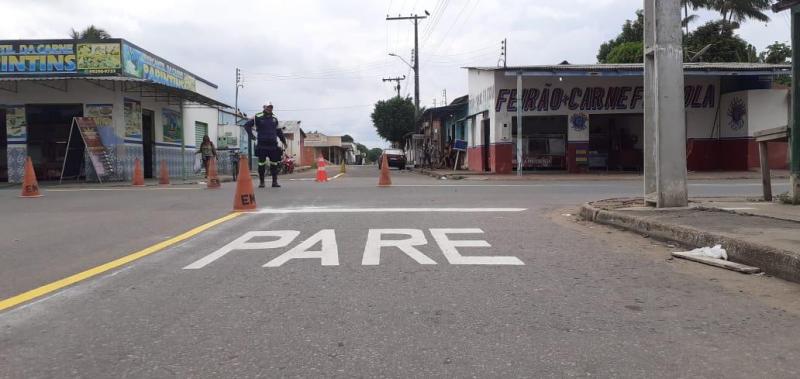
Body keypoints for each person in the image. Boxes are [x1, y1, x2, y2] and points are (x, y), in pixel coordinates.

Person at [242, 103, 287, 188]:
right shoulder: (257, 116)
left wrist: (284, 141)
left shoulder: (275, 118)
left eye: (271, 107)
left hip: (273, 145)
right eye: (268, 107)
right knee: (261, 164)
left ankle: (274, 182)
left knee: (274, 164)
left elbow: (279, 131)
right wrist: (251, 136)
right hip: (262, 145)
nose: (270, 109)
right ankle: (262, 182)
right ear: (264, 107)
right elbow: (247, 125)